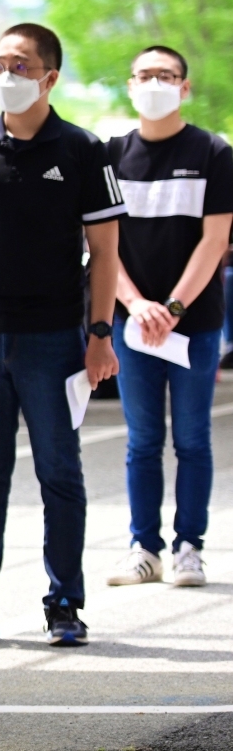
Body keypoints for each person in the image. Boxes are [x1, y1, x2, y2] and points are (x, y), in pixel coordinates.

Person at [0, 23, 125, 647]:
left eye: (20, 64)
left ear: (49, 77)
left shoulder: (84, 150)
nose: (6, 74)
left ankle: (64, 602)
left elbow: (105, 252)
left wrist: (99, 334)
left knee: (59, 473)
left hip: (54, 338)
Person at [103, 45, 233, 588]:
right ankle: (144, 546)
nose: (155, 82)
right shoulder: (108, 154)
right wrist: (135, 305)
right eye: (145, 75)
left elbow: (215, 239)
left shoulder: (213, 152)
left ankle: (189, 546)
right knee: (141, 440)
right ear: (129, 86)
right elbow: (102, 242)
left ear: (185, 87)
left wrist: (174, 307)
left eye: (167, 75)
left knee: (193, 438)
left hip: (194, 324)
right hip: (130, 324)